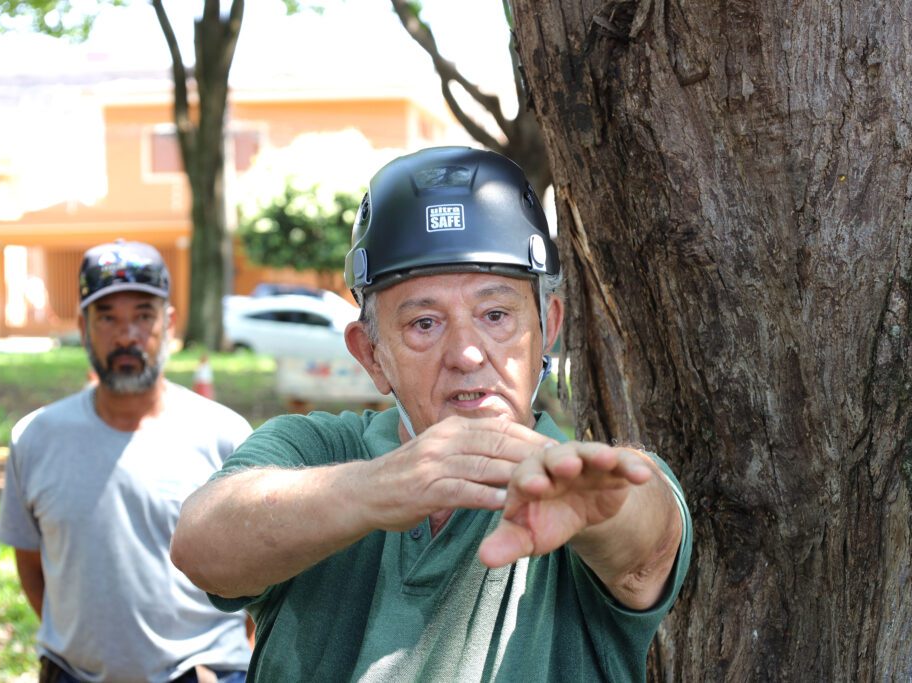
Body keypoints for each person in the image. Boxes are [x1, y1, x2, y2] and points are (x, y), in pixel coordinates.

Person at [171, 147, 693, 681]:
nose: (467, 353)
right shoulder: (315, 451)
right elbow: (200, 545)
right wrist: (375, 490)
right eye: (424, 323)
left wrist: (601, 513)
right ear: (372, 354)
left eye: (496, 315)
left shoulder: (578, 481)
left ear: (548, 328)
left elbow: (647, 544)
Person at [0, 240, 253, 683]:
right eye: (108, 317)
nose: (127, 335)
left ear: (168, 325)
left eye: (143, 316)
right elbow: (32, 566)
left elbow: (258, 574)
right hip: (72, 673)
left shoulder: (225, 437)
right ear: (83, 327)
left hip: (203, 673)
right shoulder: (35, 438)